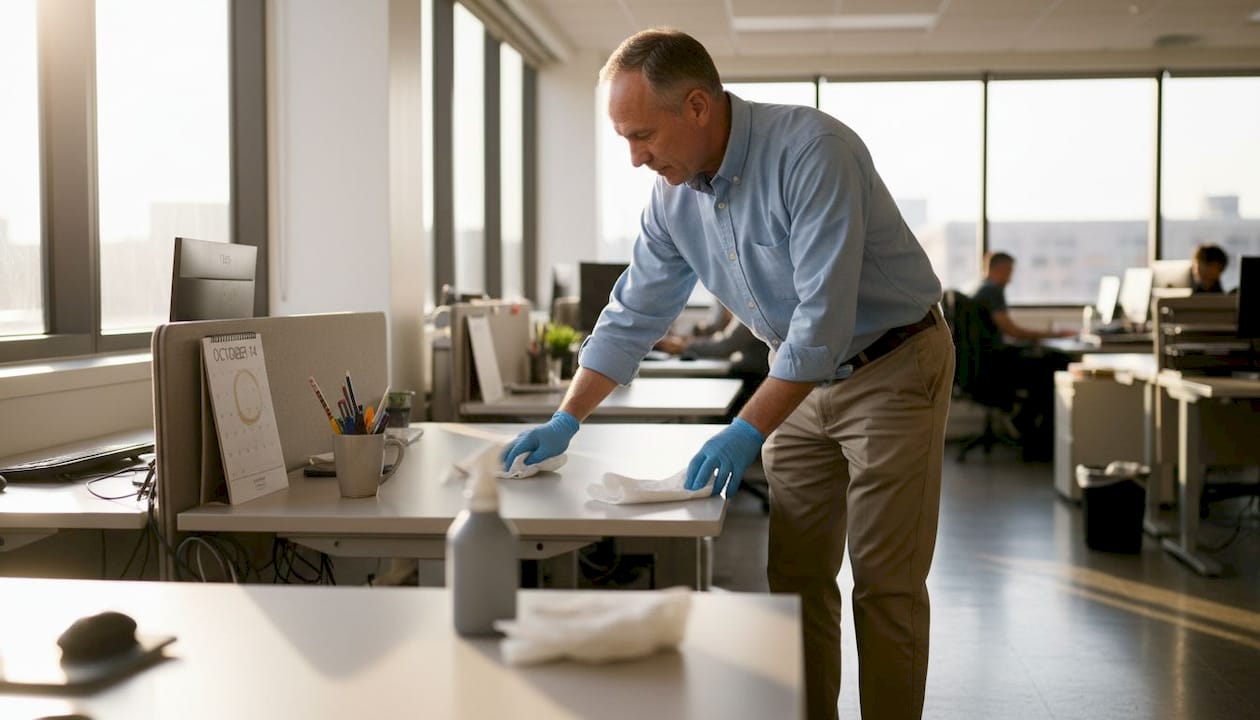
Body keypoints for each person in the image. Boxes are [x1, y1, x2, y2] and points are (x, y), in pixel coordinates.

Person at [502, 28, 953, 720]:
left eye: (642, 135)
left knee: (884, 583)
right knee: (797, 579)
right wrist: (569, 416)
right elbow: (632, 314)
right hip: (798, 380)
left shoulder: (813, 152)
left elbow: (821, 325)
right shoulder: (671, 198)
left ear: (698, 107)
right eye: (623, 139)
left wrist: (745, 430)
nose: (634, 158)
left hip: (891, 365)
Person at [969, 251, 1074, 461]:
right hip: (994, 366)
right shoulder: (992, 291)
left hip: (986, 363)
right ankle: (1031, 429)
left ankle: (1028, 424)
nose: (1011, 277)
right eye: (1009, 272)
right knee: (1054, 366)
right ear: (1000, 269)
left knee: (1047, 363)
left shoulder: (980, 289)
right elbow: (1012, 331)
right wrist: (1051, 334)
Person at [654, 302, 769, 414]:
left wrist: (684, 346)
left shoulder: (753, 309)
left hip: (753, 376)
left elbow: (724, 347)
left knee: (698, 387)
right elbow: (716, 326)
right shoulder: (742, 305)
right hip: (748, 373)